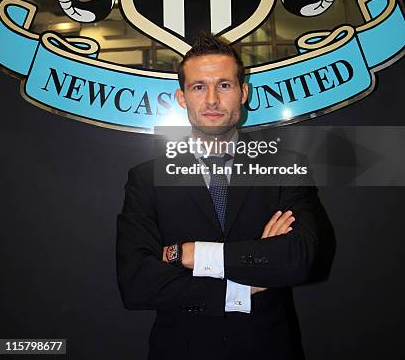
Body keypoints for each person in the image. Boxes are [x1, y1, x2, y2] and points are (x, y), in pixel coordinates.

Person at [116, 32, 331, 360]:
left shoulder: (285, 166)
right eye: (199, 87)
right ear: (181, 97)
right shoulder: (146, 178)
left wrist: (193, 254)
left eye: (225, 85)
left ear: (243, 93)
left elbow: (299, 258)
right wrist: (245, 283)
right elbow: (137, 282)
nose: (212, 100)